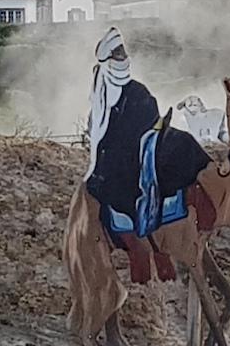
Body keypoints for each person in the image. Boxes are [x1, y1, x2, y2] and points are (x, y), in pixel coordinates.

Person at [82, 29, 209, 239]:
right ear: (107, 61)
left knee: (183, 143)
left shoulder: (137, 89)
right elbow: (103, 137)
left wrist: (156, 130)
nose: (123, 58)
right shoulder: (100, 101)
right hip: (117, 161)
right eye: (117, 54)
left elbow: (148, 117)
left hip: (145, 147)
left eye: (123, 52)